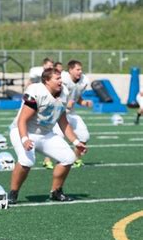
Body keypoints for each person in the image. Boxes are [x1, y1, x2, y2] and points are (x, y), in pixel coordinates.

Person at [8, 67, 87, 205]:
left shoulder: (64, 93)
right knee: (27, 162)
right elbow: (22, 120)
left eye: (61, 78)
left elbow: (63, 121)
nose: (61, 82)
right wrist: (25, 139)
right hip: (24, 131)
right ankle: (13, 193)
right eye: (57, 79)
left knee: (68, 158)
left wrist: (76, 142)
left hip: (45, 134)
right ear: (46, 81)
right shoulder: (36, 91)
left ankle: (56, 191)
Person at [43, 60, 92, 169]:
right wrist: (64, 104)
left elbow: (77, 97)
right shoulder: (63, 79)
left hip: (71, 113)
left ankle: (76, 159)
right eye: (77, 69)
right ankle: (47, 161)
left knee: (84, 136)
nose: (80, 71)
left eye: (81, 69)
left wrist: (84, 102)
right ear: (70, 70)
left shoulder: (83, 81)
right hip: (58, 113)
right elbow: (52, 95)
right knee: (57, 137)